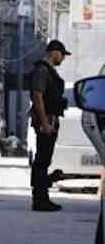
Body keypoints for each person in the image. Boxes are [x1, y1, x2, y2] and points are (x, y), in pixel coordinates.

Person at [29, 39, 70, 212]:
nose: (63, 58)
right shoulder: (42, 70)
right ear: (54, 52)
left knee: (44, 161)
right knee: (41, 161)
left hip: (50, 119)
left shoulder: (48, 71)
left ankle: (43, 197)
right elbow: (37, 96)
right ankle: (40, 200)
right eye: (62, 54)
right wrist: (45, 123)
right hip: (45, 120)